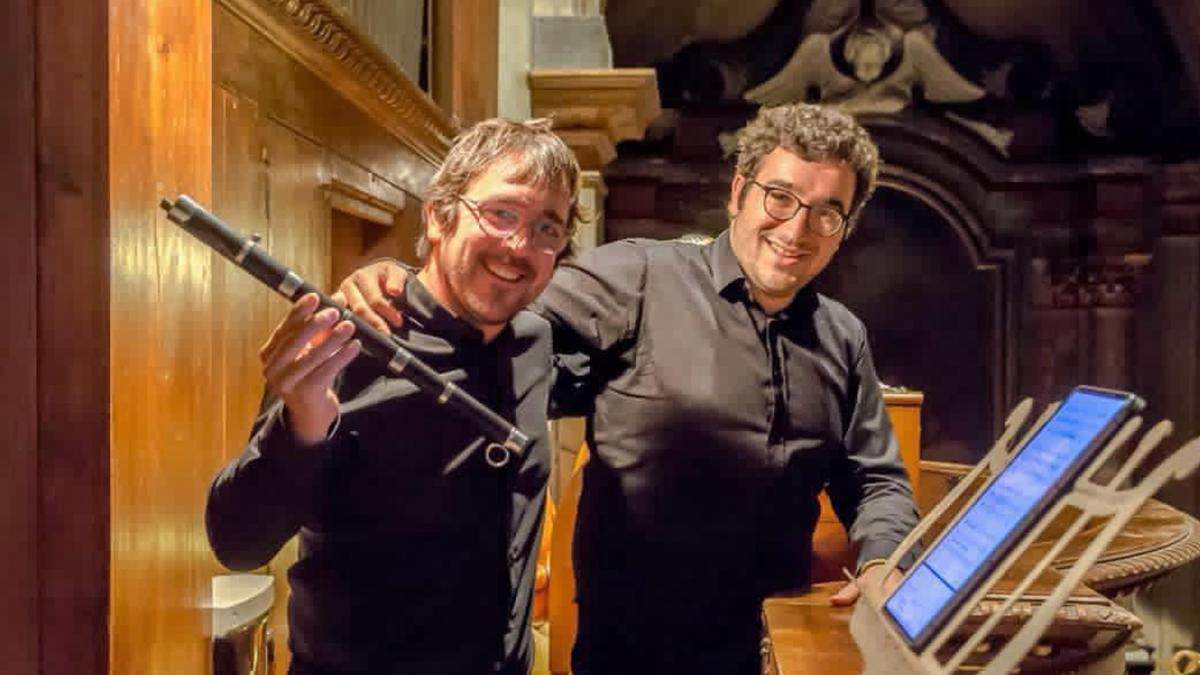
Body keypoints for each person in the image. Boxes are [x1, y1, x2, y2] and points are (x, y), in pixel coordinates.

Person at [337, 103, 920, 675]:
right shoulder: (639, 277)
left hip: (776, 653)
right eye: (780, 197)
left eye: (827, 212)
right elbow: (494, 308)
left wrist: (883, 562)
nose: (796, 229)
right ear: (739, 193)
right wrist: (407, 285)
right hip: (634, 654)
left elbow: (876, 479)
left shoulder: (843, 335)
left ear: (844, 230)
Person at [205, 118, 584, 675]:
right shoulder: (346, 340)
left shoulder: (536, 341)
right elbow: (238, 543)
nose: (518, 245)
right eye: (501, 213)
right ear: (438, 216)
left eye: (547, 227)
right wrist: (301, 423)